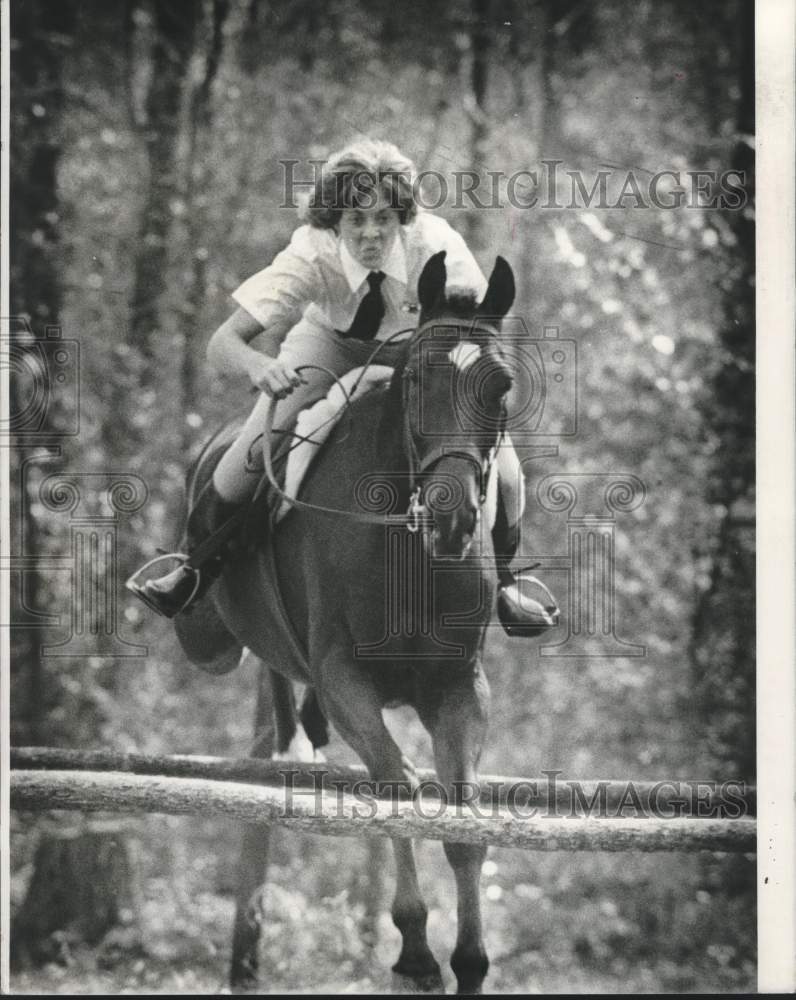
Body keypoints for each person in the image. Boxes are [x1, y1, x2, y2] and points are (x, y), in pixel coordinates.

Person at [127, 139, 559, 634]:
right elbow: (222, 343)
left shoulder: (436, 245)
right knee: (251, 451)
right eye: (356, 220)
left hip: (419, 353)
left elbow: (477, 334)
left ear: (403, 218)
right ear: (334, 221)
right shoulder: (311, 251)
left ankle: (505, 582)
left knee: (507, 468)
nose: (371, 234)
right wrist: (258, 365)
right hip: (331, 344)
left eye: (384, 219)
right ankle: (194, 569)